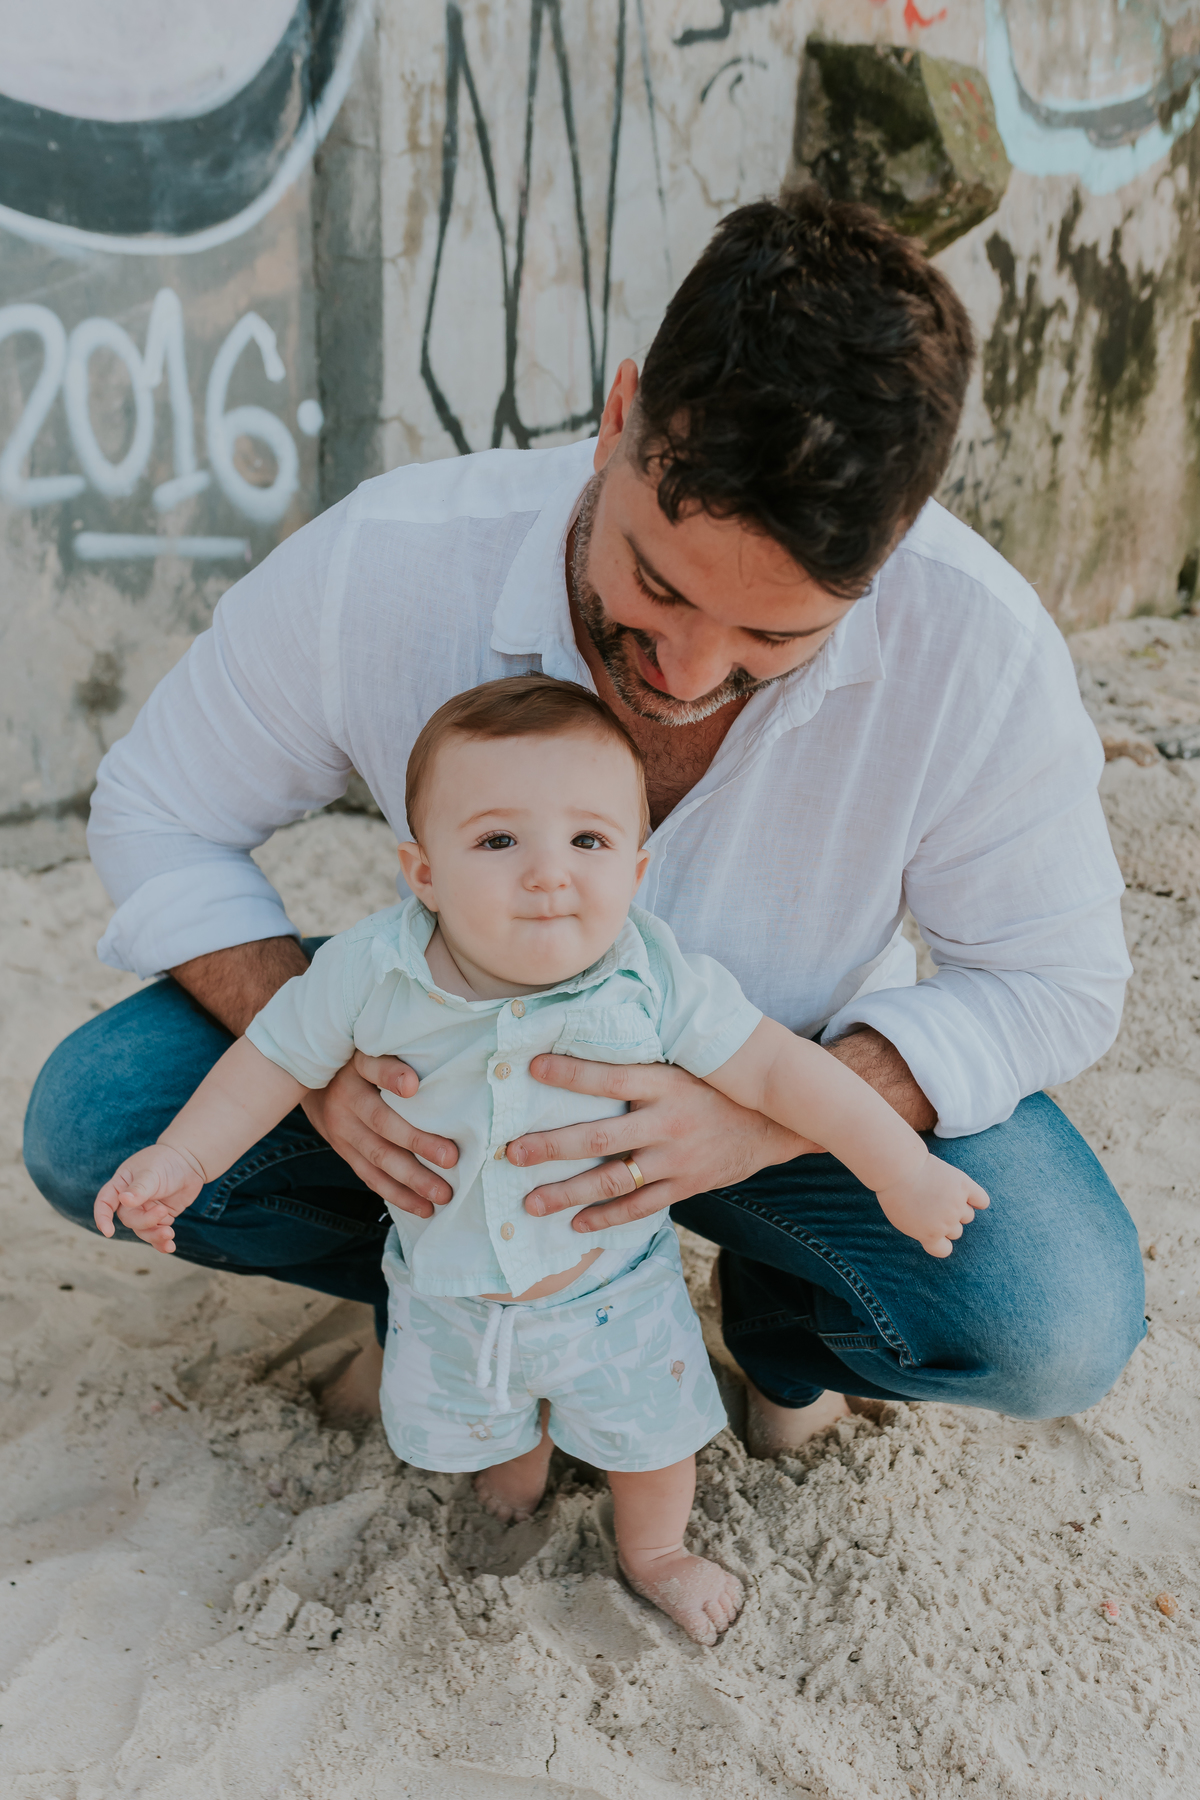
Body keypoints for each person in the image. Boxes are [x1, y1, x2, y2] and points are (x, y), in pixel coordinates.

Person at [24, 185, 1143, 1456]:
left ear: (884, 560)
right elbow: (160, 808)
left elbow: (1054, 983)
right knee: (100, 1124)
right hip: (445, 1061)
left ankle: (775, 1332)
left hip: (792, 1070)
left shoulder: (979, 649)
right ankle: (445, 1287)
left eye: (773, 634)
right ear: (617, 420)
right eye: (655, 584)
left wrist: (758, 1122)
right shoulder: (387, 563)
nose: (685, 665)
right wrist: (332, 1067)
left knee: (1054, 1319)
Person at [92, 675, 988, 1643]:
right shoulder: (371, 971)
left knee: (652, 1450)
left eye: (588, 841)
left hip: (614, 1296)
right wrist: (182, 1155)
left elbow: (784, 1075)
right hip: (450, 1299)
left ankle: (657, 1556)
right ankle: (519, 1468)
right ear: (423, 871)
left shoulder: (652, 977)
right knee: (492, 1443)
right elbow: (268, 1060)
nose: (548, 872)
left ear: (637, 873)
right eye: (497, 841)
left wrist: (901, 1170)